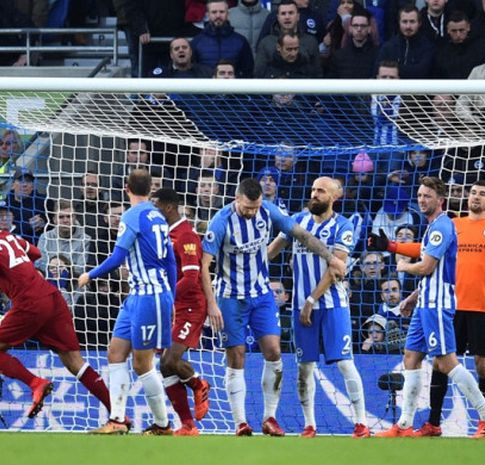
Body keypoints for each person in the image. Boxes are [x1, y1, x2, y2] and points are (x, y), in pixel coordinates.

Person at [201, 177, 347, 436]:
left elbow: (301, 234)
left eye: (256, 207)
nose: (252, 212)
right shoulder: (220, 221)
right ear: (237, 199)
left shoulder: (268, 211)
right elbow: (204, 265)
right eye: (247, 208)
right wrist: (211, 303)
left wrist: (330, 258)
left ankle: (270, 417)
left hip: (261, 295)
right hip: (231, 297)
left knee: (273, 351)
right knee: (236, 357)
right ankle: (240, 423)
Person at [0, 207, 112, 421]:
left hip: (28, 304)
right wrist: (20, 272)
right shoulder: (5, 235)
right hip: (51, 297)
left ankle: (36, 383)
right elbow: (36, 253)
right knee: (75, 362)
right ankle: (119, 415)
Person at [369, 180, 485, 437]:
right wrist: (392, 246)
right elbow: (423, 251)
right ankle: (406, 425)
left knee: (453, 362)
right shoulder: (443, 226)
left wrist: (403, 267)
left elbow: (426, 266)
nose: (422, 200)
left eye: (427, 196)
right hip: (427, 302)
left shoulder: (443, 225)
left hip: (447, 305)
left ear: (440, 199)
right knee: (412, 357)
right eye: (420, 195)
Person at [267, 177, 369, 438]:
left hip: (331, 306)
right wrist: (248, 259)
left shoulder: (343, 226)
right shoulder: (298, 220)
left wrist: (311, 300)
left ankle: (361, 423)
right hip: (302, 307)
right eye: (313, 189)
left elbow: (336, 269)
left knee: (345, 364)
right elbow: (272, 251)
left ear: (334, 197)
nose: (314, 194)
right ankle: (310, 425)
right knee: (304, 368)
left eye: (321, 191)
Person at [78, 169, 177, 435]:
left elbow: (117, 258)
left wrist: (90, 274)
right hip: (136, 296)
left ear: (126, 188)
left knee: (142, 363)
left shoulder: (131, 216)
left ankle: (163, 424)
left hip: (150, 295)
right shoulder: (158, 215)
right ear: (150, 190)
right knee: (115, 352)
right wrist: (174, 297)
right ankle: (118, 419)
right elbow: (170, 260)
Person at [151, 188, 221, 436]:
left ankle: (198, 382)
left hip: (191, 306)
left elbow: (191, 278)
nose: (152, 210)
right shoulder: (165, 234)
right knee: (164, 365)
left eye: (155, 205)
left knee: (170, 360)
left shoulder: (187, 235)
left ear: (169, 207)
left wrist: (165, 295)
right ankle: (188, 425)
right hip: (174, 307)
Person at [191, 0, 254, 78]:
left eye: (221, 12)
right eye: (214, 12)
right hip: (206, 88)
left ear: (228, 14)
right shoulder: (197, 41)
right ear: (208, 15)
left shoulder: (241, 41)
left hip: (234, 88)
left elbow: (248, 71)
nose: (218, 15)